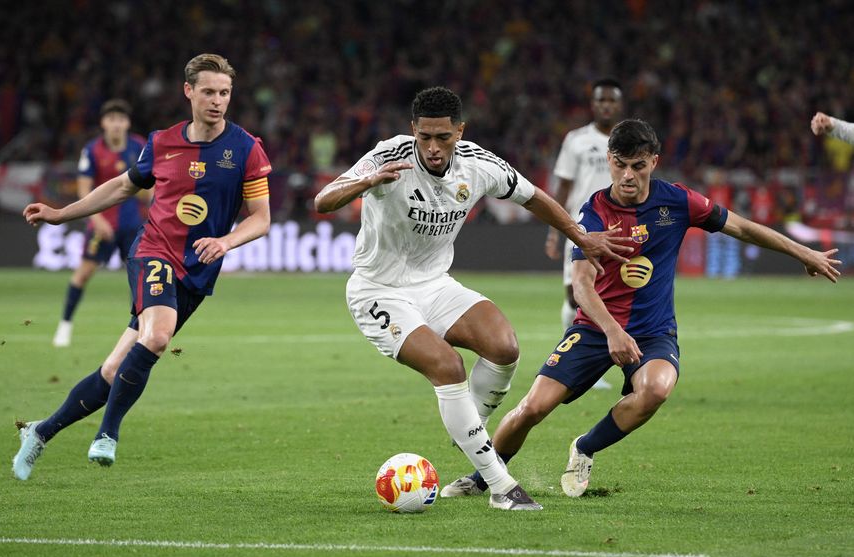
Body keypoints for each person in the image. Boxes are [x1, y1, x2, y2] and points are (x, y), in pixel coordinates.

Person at [441, 118, 841, 499]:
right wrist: (613, 331)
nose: (627, 176)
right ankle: (482, 478)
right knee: (532, 408)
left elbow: (743, 227)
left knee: (656, 390)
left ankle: (584, 447)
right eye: (620, 165)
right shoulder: (593, 211)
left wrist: (802, 251)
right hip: (595, 329)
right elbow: (580, 285)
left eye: (637, 166)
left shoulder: (678, 201)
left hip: (653, 333)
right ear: (610, 161)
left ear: (653, 162)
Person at [314, 86, 632, 511]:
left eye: (442, 137)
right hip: (379, 289)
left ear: (459, 131)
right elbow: (322, 201)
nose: (432, 147)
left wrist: (579, 236)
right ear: (413, 130)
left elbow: (534, 197)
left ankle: (469, 426)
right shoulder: (388, 156)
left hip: (433, 283)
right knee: (448, 366)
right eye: (424, 136)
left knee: (504, 346)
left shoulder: (479, 165)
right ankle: (501, 485)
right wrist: (365, 181)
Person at [13, 53, 272, 480]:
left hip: (198, 270)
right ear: (188, 91)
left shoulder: (246, 149)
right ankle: (107, 435)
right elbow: (121, 187)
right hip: (153, 250)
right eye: (208, 91)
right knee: (158, 334)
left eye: (224, 93)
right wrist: (61, 214)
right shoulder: (163, 142)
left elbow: (261, 218)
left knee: (115, 369)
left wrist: (226, 241)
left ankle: (41, 432)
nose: (217, 100)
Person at [545, 77, 624, 390]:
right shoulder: (576, 140)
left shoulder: (628, 139)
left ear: (620, 105)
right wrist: (555, 232)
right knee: (575, 293)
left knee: (618, 294)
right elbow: (562, 188)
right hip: (582, 228)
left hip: (623, 228)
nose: (606, 105)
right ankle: (579, 364)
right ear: (593, 105)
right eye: (601, 100)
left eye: (611, 101)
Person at [52, 99, 148, 347]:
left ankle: (142, 331)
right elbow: (84, 190)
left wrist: (150, 194)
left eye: (121, 119)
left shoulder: (140, 147)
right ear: (103, 123)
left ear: (127, 123)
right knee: (83, 274)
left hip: (133, 225)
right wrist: (97, 220)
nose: (116, 124)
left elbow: (151, 188)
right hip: (101, 226)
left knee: (138, 281)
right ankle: (65, 325)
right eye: (111, 119)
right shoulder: (92, 150)